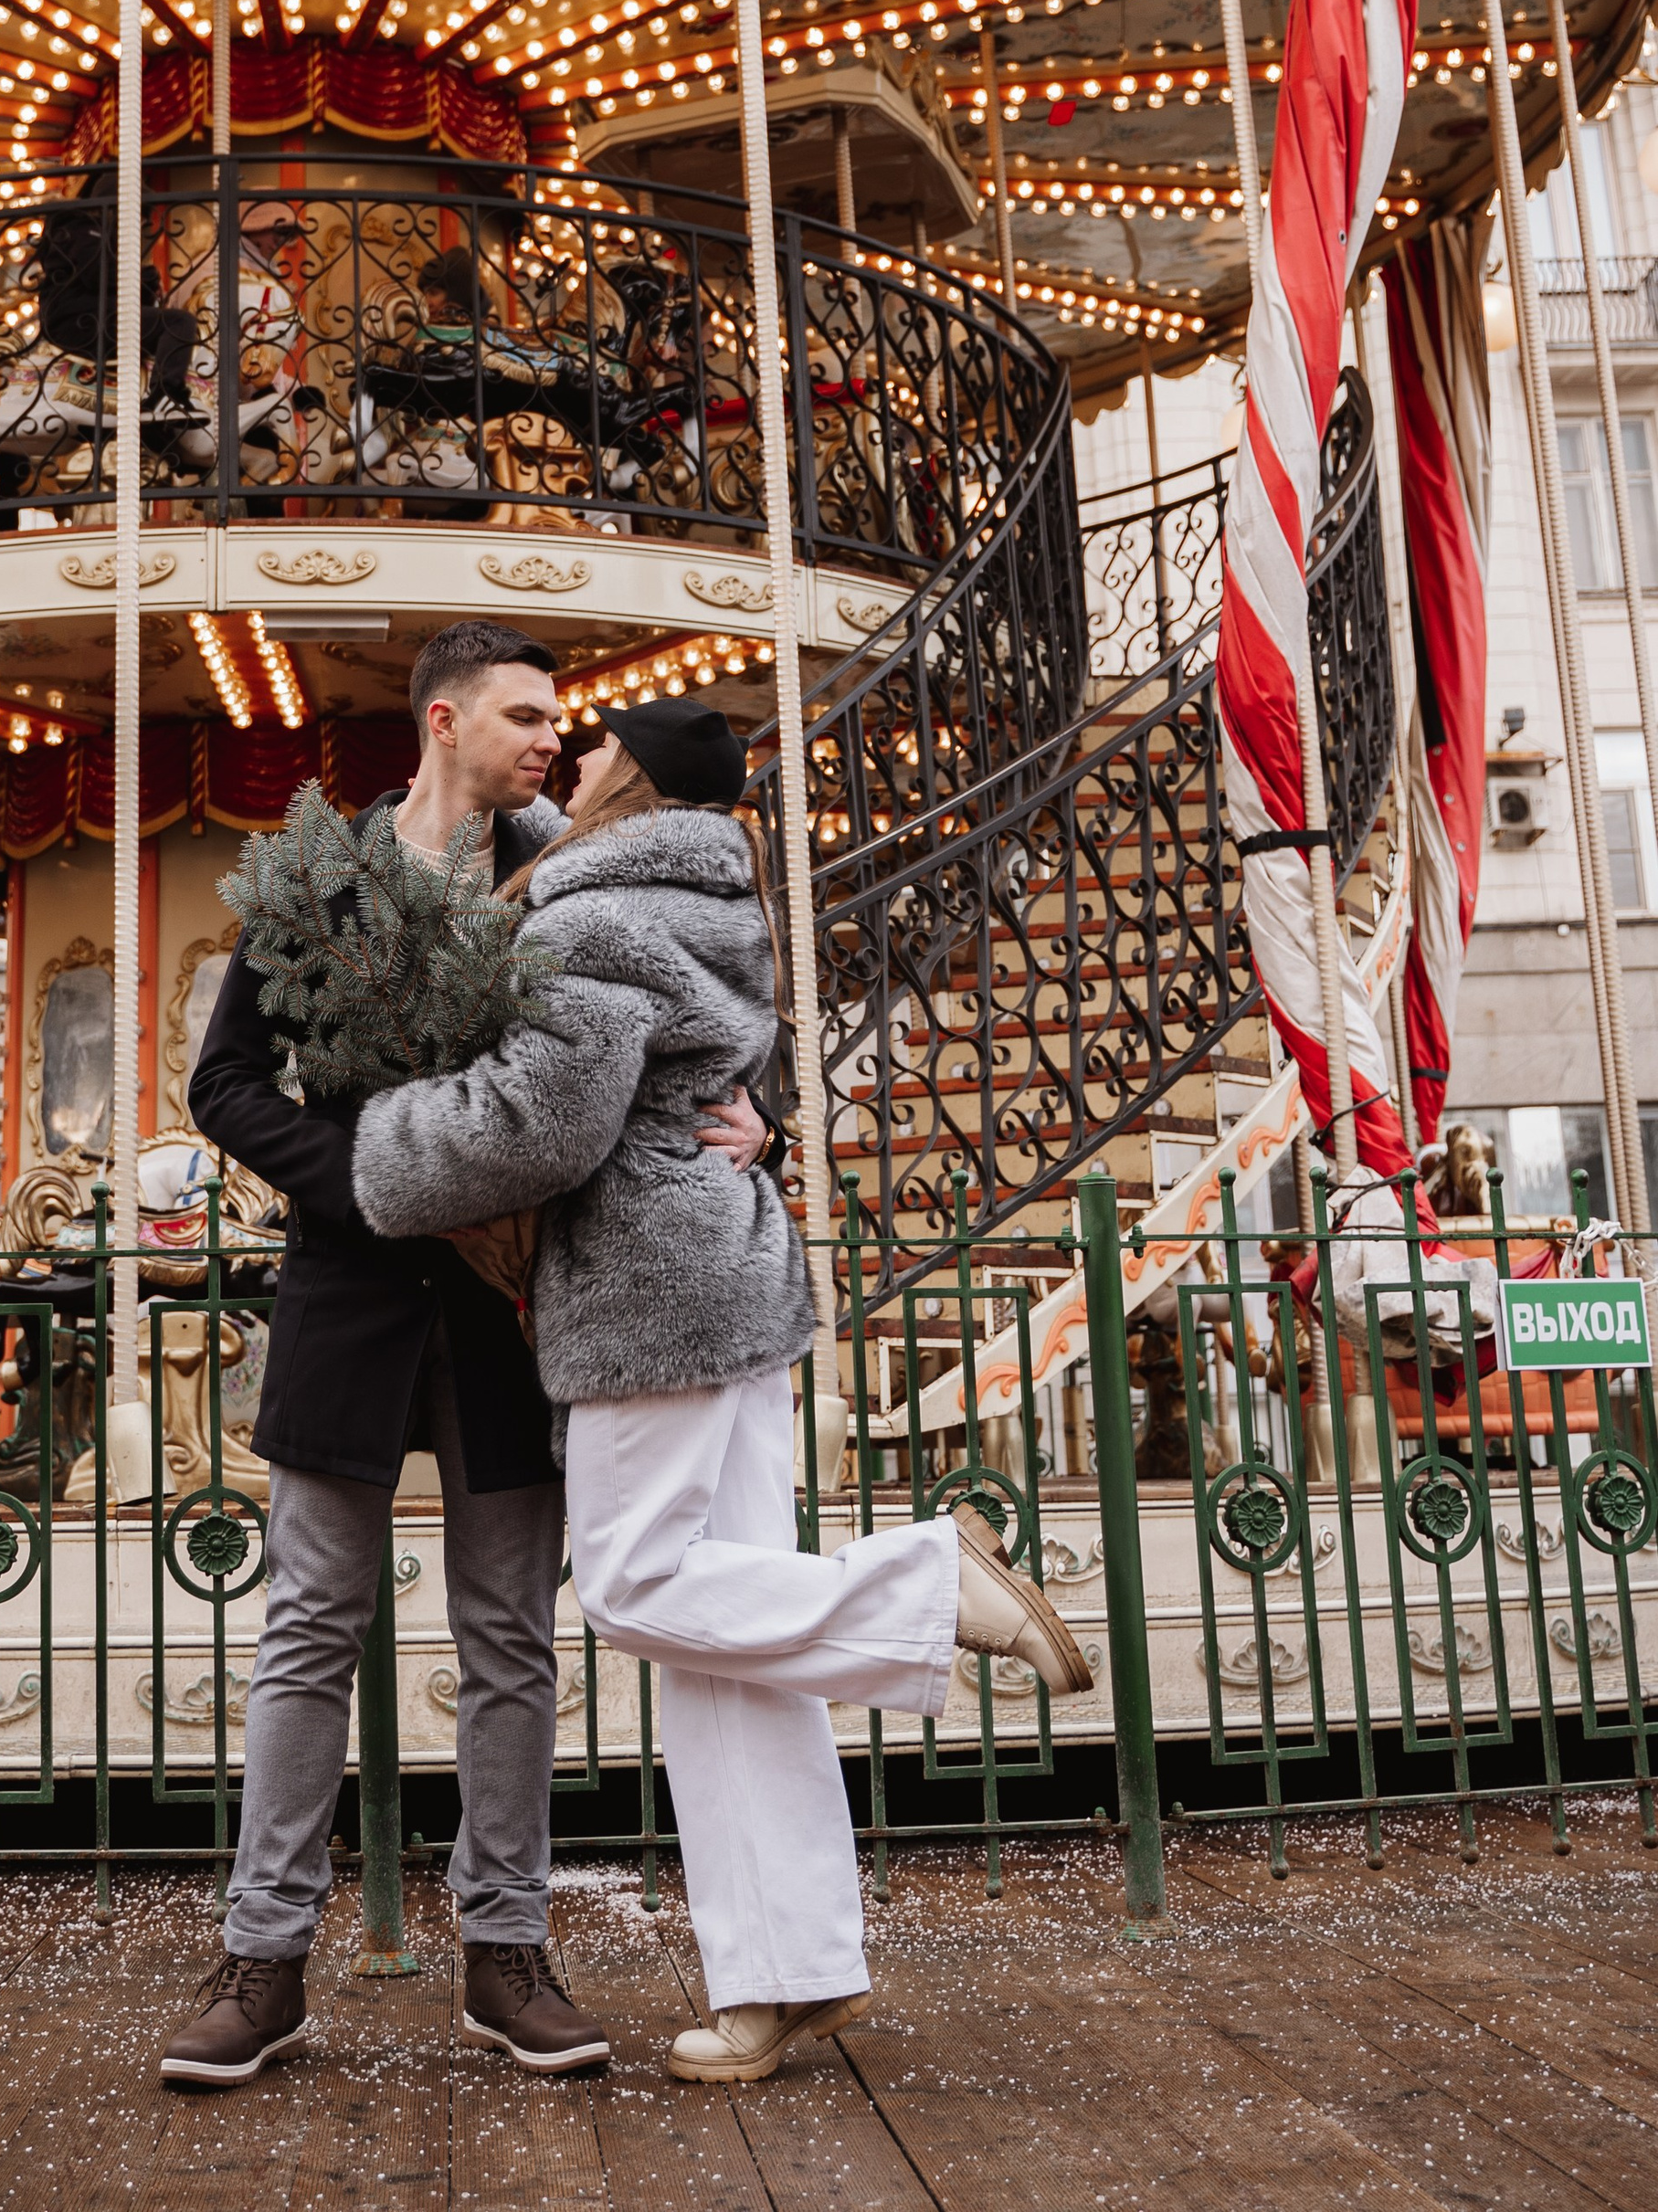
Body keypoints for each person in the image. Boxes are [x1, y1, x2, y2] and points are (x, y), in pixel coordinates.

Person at [347, 694, 1093, 2085]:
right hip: (731, 1273)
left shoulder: (596, 917)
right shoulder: (717, 893)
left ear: (632, 779)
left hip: (651, 1292)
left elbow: (544, 1124)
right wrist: (773, 1122)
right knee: (723, 1650)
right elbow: (714, 1070)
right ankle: (786, 1974)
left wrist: (378, 1147)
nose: (577, 756)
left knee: (634, 1586)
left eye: (600, 745)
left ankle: (933, 1587)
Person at [166, 621, 608, 2087]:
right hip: (350, 1285)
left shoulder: (565, 878)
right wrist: (365, 1179)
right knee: (307, 1628)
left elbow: (661, 1036)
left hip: (506, 1302)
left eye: (555, 718)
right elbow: (226, 1082)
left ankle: (506, 1951)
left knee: (511, 1638)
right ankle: (265, 1962)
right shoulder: (321, 881)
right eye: (525, 715)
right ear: (444, 722)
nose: (551, 737)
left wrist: (760, 1121)